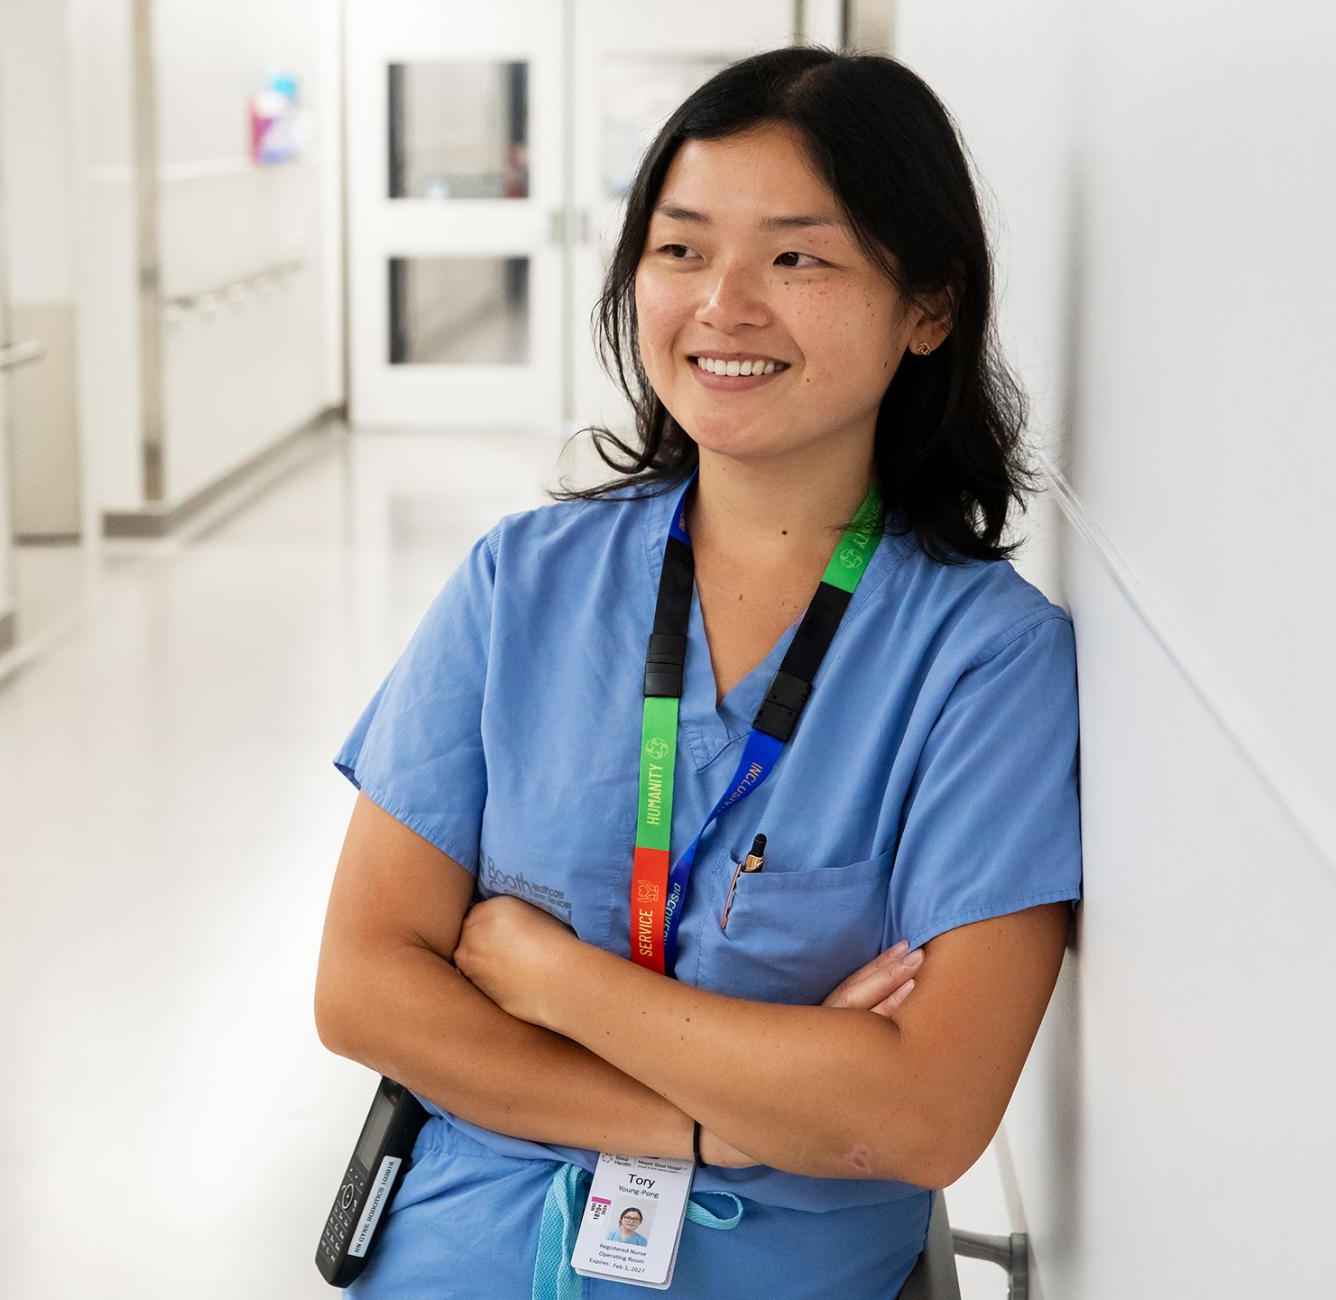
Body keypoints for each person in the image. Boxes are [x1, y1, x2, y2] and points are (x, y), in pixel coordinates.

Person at [314, 44, 1081, 1300]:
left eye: (797, 256)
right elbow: (362, 991)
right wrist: (729, 1112)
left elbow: (925, 1115)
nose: (724, 304)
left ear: (929, 304)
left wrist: (549, 978)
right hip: (466, 1252)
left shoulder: (982, 661)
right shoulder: (525, 584)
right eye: (679, 250)